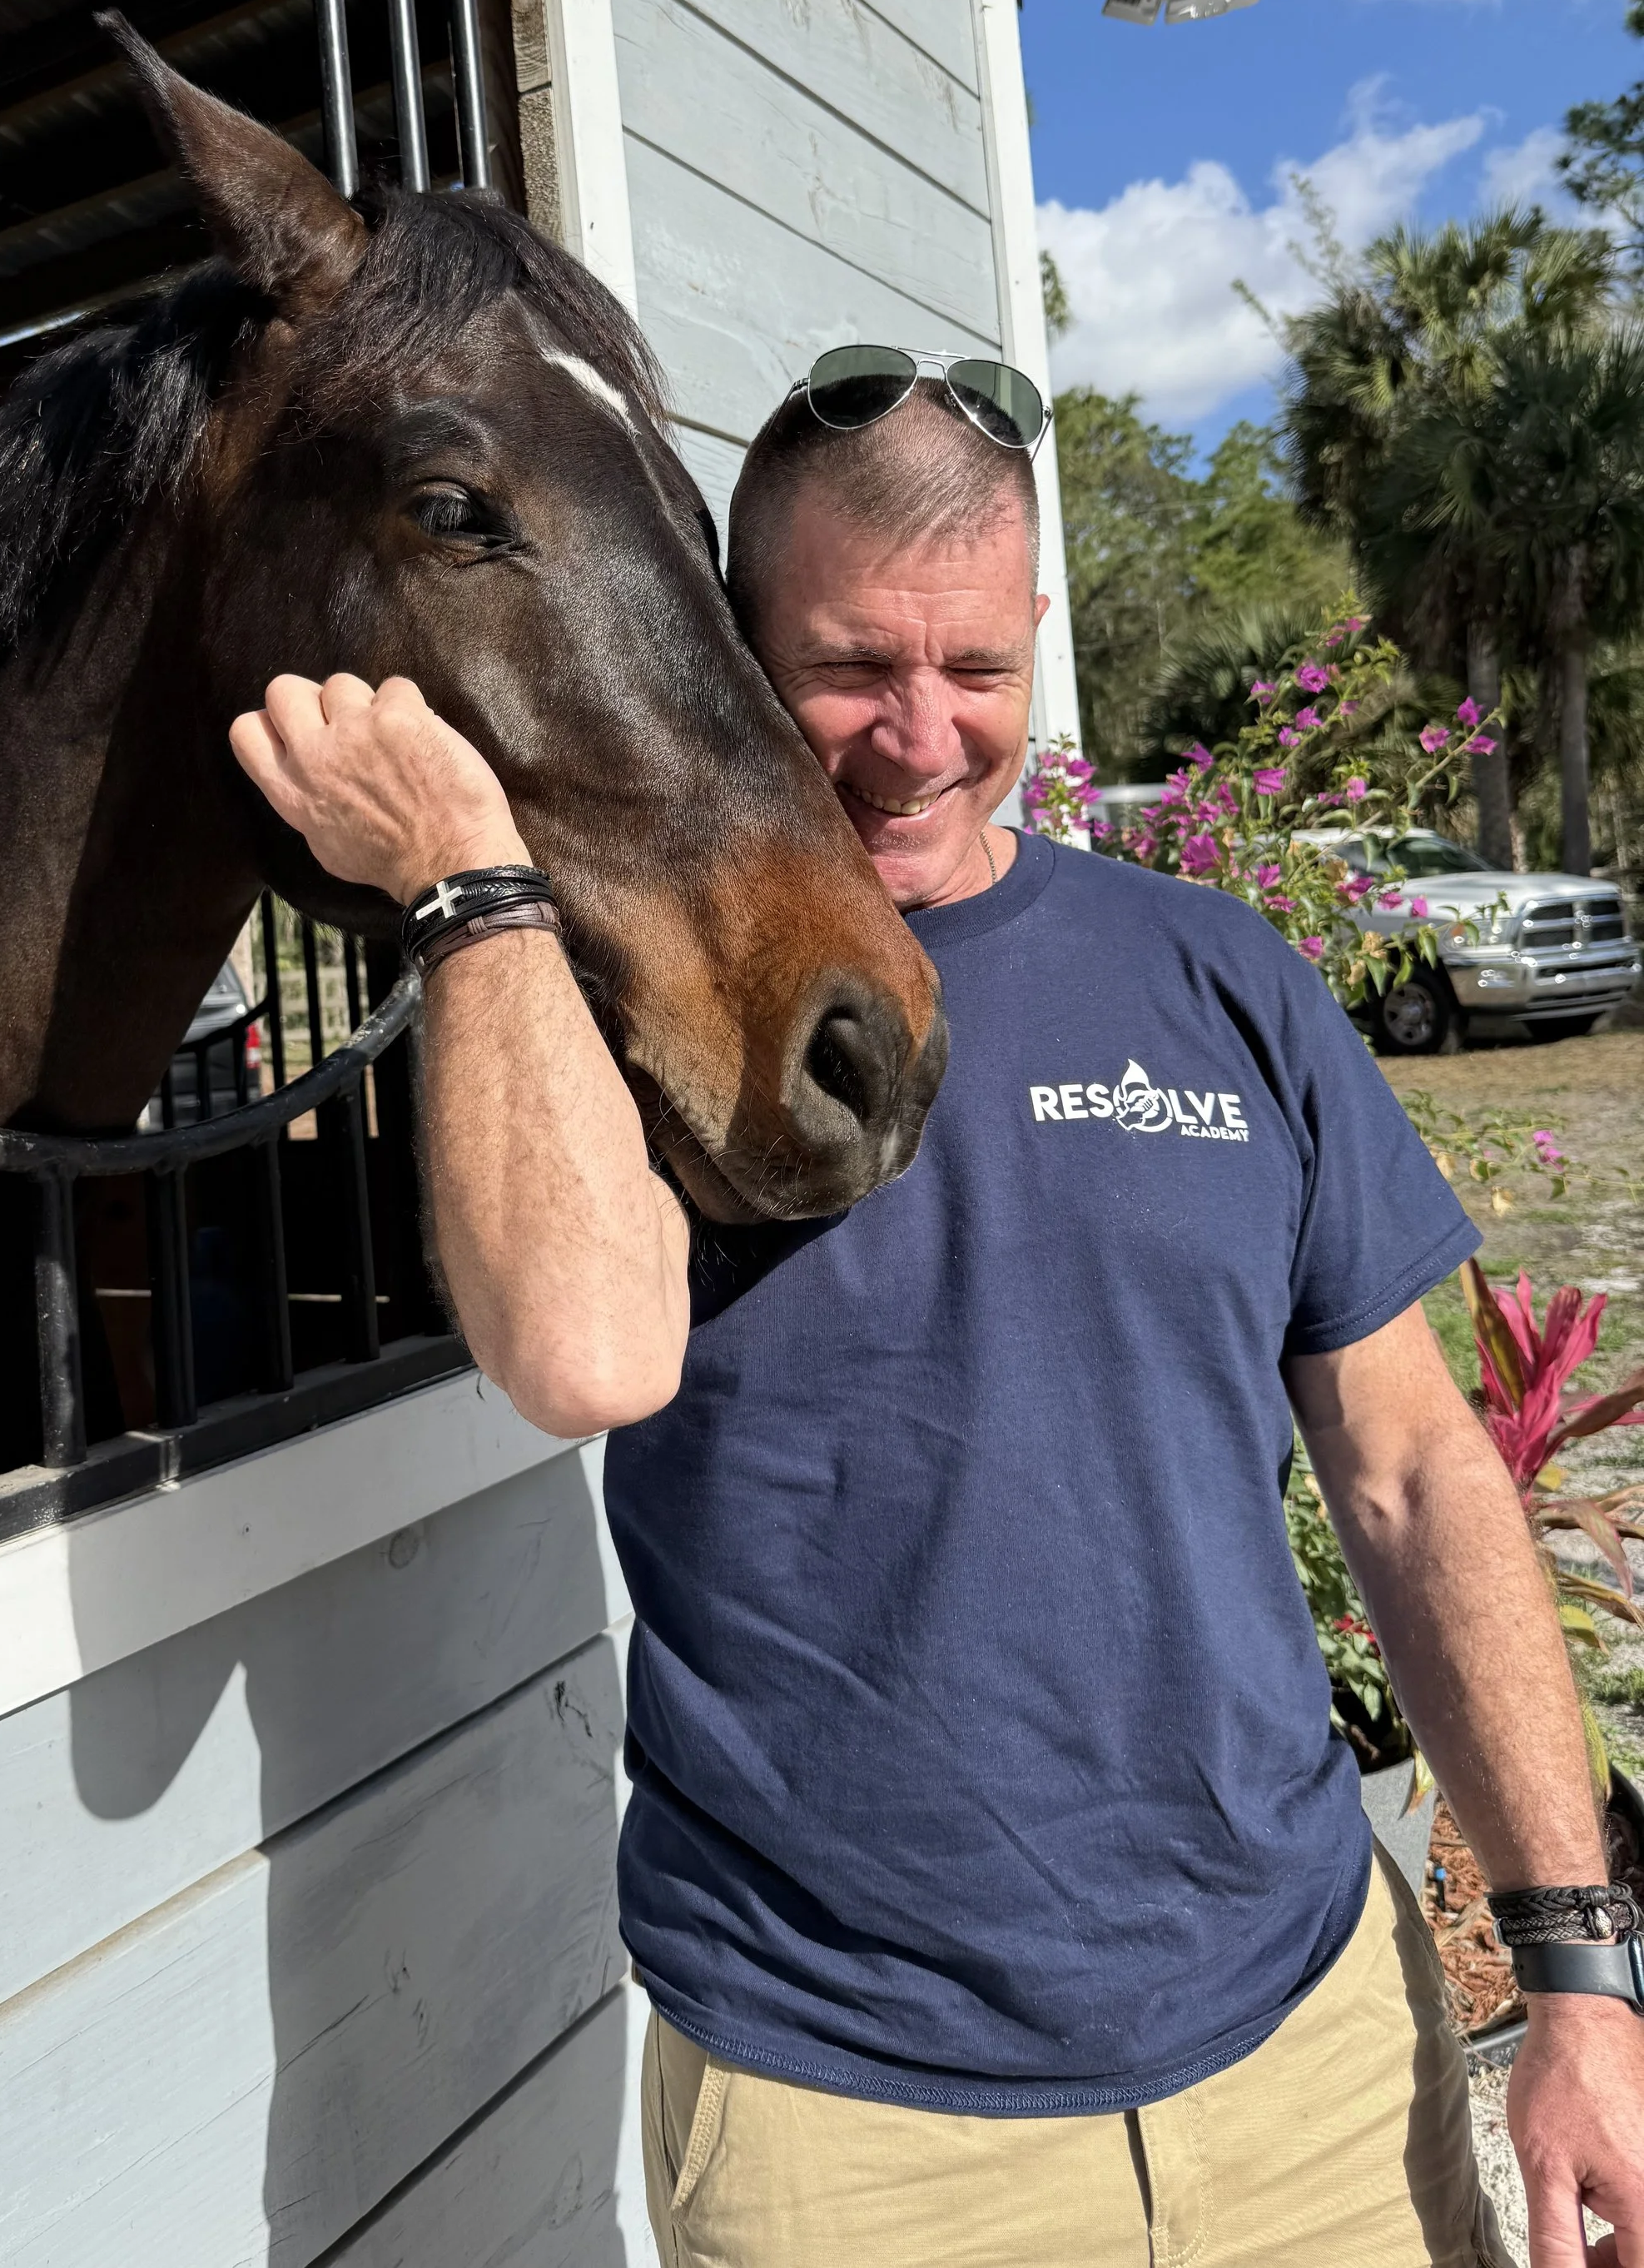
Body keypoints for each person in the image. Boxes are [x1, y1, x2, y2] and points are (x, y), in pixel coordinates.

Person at [230, 348, 1644, 2268]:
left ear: (1034, 640)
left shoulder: (1210, 976)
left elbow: (1410, 1472)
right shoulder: (632, 1024)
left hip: (1313, 2049)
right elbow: (579, 1353)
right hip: (851, 2133)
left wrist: (1573, 1974)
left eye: (973, 671)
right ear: (724, 643)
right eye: (846, 669)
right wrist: (474, 887)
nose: (917, 734)